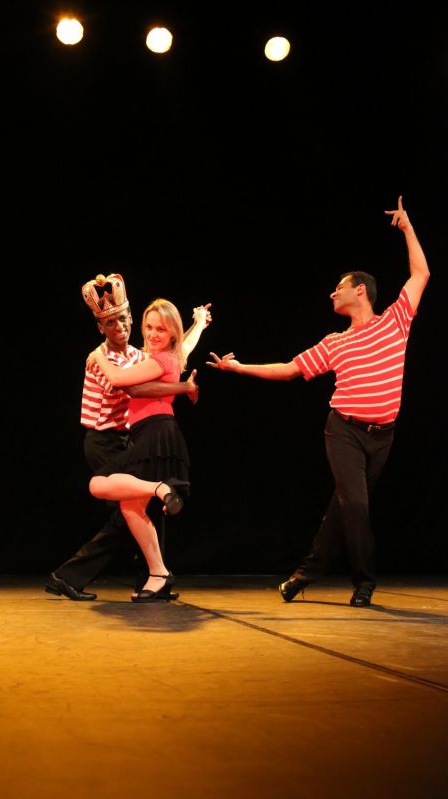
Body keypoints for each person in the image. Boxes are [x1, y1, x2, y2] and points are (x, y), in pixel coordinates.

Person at [207, 196, 430, 607]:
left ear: (359, 291)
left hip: (382, 437)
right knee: (356, 504)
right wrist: (239, 369)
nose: (331, 293)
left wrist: (407, 227)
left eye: (338, 287)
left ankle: (302, 575)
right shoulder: (334, 342)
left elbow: (421, 272)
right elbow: (290, 368)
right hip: (343, 430)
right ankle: (364, 582)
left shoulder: (396, 320)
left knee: (344, 508)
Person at [46, 273, 210, 601]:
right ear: (100, 328)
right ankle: (74, 576)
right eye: (108, 323)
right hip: (103, 440)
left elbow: (175, 355)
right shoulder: (100, 359)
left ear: (130, 319)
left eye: (121, 319)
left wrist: (199, 325)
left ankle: (151, 578)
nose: (117, 326)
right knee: (130, 508)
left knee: (143, 508)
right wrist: (183, 386)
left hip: (130, 439)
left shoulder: (138, 356)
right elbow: (131, 385)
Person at [87, 295, 208, 603]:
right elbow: (187, 346)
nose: (154, 334)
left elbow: (118, 380)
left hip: (155, 432)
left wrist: (96, 356)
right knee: (131, 507)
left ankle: (158, 488)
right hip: (155, 433)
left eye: (161, 330)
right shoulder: (168, 357)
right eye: (149, 327)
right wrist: (200, 324)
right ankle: (158, 574)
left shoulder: (159, 360)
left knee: (98, 484)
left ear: (171, 334)